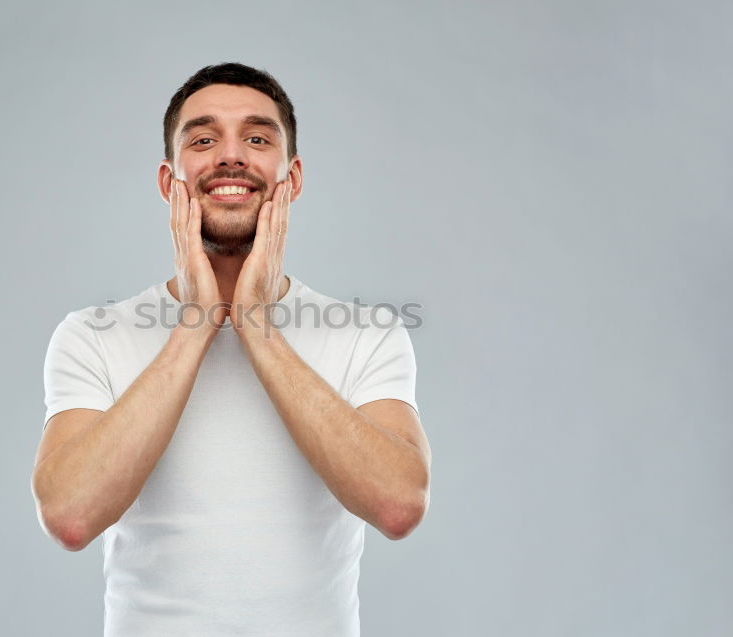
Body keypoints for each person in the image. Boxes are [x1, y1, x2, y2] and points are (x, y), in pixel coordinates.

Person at [31, 62, 432, 636]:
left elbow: (398, 506)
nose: (231, 156)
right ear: (170, 182)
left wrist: (257, 326)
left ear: (291, 178)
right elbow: (69, 516)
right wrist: (196, 323)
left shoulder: (366, 333)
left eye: (257, 138)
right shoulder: (93, 335)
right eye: (202, 139)